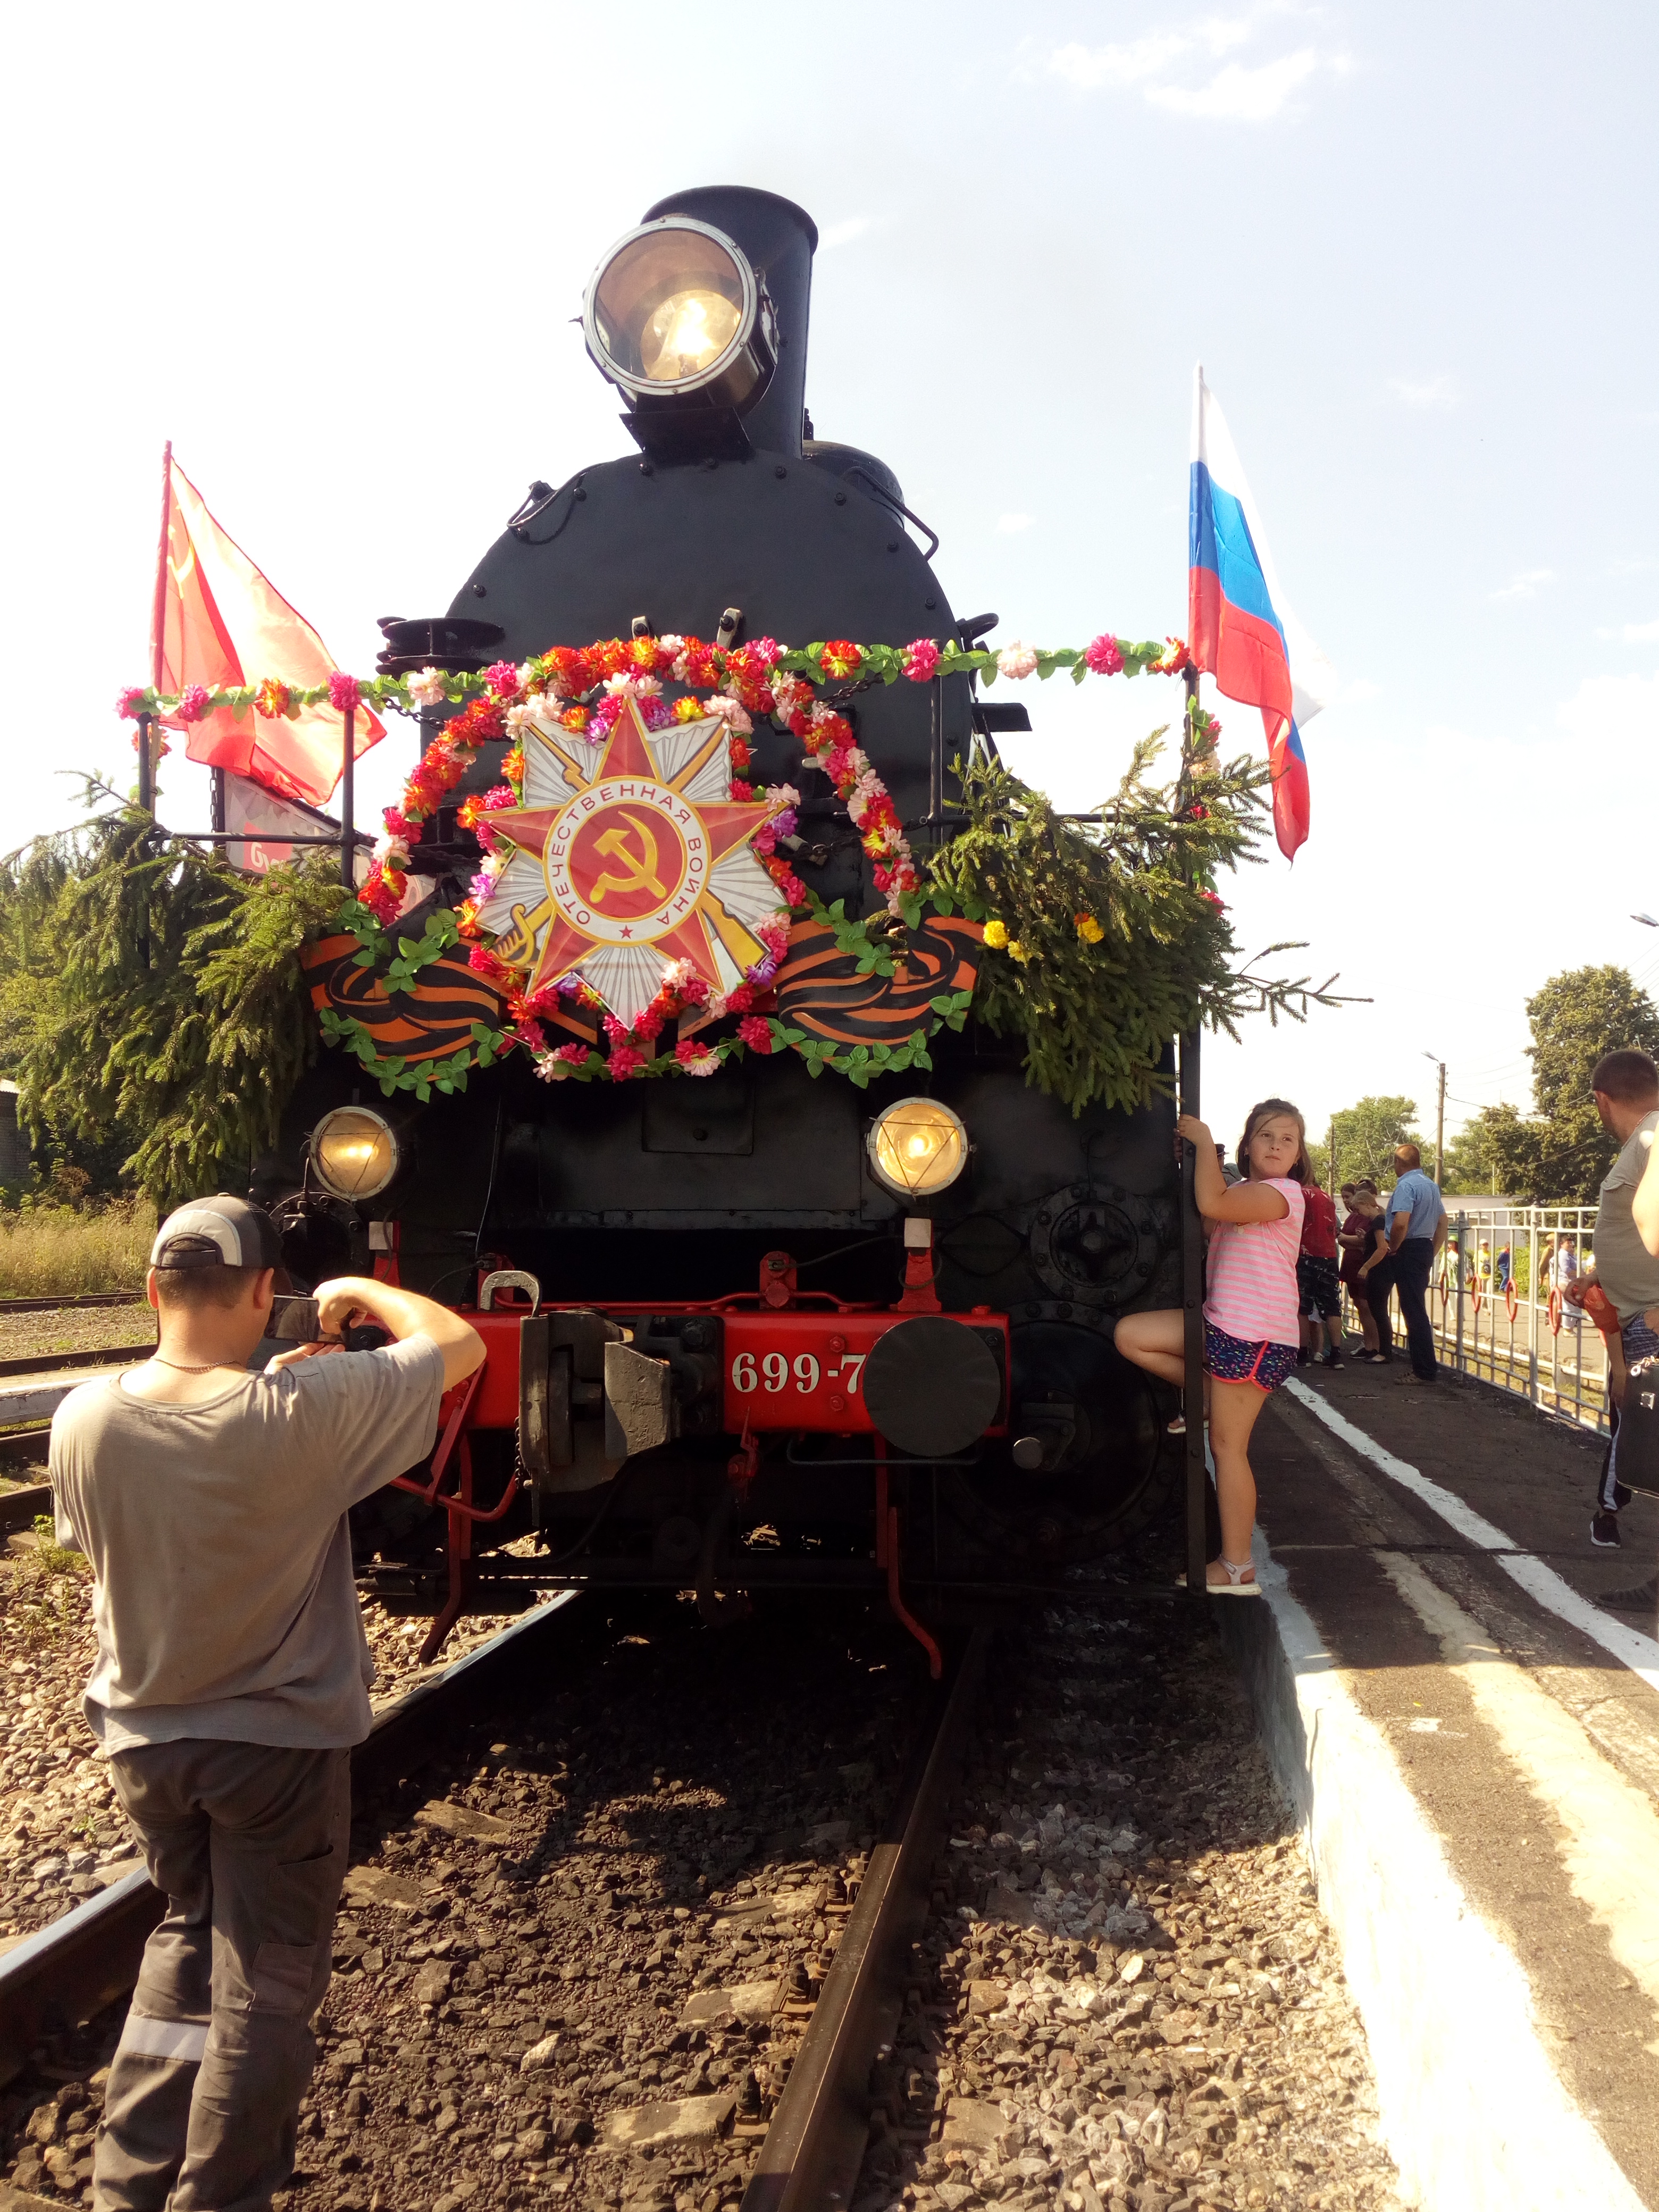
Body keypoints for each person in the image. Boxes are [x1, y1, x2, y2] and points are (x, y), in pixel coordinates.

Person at [51, 1196, 485, 2212]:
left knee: (190, 1936)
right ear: (262, 1292)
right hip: (274, 1755)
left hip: (146, 1748)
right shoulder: (304, 1412)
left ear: (155, 1290)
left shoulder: (84, 1415)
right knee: (269, 1984)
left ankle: (131, 2185)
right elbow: (456, 1343)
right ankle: (222, 2198)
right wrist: (357, 1293)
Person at [1115, 1097, 1309, 1594]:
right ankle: (1201, 1396)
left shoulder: (1285, 1193)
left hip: (1256, 1335)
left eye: (1288, 1139)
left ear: (1297, 1155)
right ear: (1248, 1146)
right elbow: (1209, 1220)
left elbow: (1213, 1206)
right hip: (1221, 1324)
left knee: (1227, 1448)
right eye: (1267, 1135)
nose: (1276, 1145)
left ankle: (1238, 1566)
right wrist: (1193, 1165)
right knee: (1131, 1336)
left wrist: (1202, 1144)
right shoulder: (1244, 1190)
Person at [1560, 1051, 1659, 1558]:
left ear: (1602, 1100)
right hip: (1635, 1319)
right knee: (1635, 1433)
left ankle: (1609, 1512)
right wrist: (1597, 1274)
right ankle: (1609, 1512)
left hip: (1648, 1324)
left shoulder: (1652, 1134)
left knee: (1638, 1434)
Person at [1360, 1143, 1447, 1384]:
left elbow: (1400, 1223)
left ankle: (1423, 1371)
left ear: (1399, 1163)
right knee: (1416, 1308)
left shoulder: (1406, 1186)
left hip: (1407, 1248)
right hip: (1423, 1248)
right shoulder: (1431, 1186)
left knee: (1413, 1311)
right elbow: (1443, 1221)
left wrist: (1395, 1247)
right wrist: (1433, 1249)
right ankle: (1424, 1368)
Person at [1297, 1175, 1344, 1368]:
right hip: (1329, 1255)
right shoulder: (1327, 1198)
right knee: (1332, 1306)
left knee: (1303, 1306)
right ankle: (1336, 1354)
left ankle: (1302, 1354)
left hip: (1305, 1253)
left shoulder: (1299, 1195)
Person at [1339, 1183, 1387, 1354]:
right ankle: (1368, 1344)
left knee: (1367, 1306)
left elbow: (1374, 1244)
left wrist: (1348, 1238)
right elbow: (1342, 1239)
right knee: (1360, 1305)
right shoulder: (1355, 1216)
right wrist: (1348, 1239)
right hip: (1352, 1263)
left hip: (1363, 1263)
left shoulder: (1375, 1219)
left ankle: (1375, 1346)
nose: (1349, 1201)